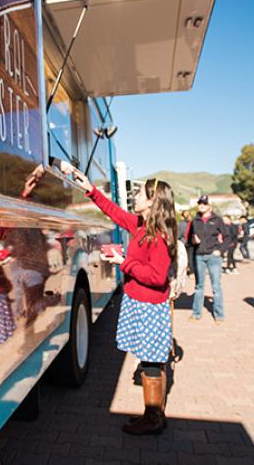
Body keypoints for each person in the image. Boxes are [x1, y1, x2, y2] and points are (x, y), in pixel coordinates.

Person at [59, 161, 177, 436]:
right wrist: (90, 189)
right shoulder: (139, 225)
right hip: (140, 303)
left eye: (140, 195)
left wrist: (123, 262)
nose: (135, 197)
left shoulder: (157, 236)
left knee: (150, 362)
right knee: (150, 360)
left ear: (152, 203)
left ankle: (153, 418)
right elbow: (113, 211)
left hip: (149, 305)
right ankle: (154, 414)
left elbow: (157, 277)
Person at [188, 195, 228, 322]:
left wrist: (220, 250)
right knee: (199, 286)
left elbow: (227, 237)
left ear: (209, 206)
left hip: (213, 256)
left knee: (216, 286)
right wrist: (193, 241)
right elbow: (189, 239)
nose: (201, 205)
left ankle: (219, 315)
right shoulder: (195, 220)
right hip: (199, 256)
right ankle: (196, 314)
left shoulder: (217, 220)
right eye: (200, 203)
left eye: (204, 203)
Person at [179, 210, 195, 277]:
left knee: (183, 258)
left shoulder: (181, 224)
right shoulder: (192, 223)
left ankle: (184, 272)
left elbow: (179, 234)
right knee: (191, 257)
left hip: (183, 242)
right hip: (191, 242)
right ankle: (192, 272)